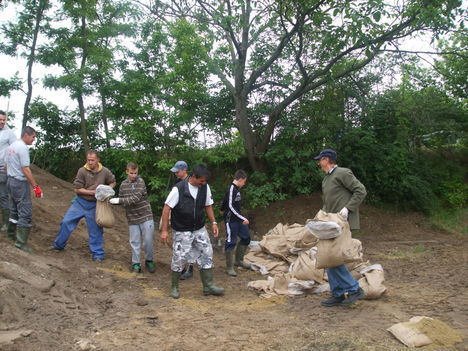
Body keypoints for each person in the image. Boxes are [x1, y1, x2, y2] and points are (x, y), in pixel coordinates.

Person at [160, 164, 224, 299]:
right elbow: (166, 209)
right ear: (193, 177)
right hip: (182, 229)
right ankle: (174, 287)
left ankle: (208, 286)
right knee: (179, 258)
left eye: (205, 181)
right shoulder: (179, 189)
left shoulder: (204, 187)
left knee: (207, 253)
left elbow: (208, 205)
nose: (204, 183)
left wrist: (213, 222)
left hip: (199, 228)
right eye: (201, 181)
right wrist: (164, 231)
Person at [314, 148, 367, 307]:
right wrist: (321, 215)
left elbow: (361, 191)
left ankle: (354, 289)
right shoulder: (326, 179)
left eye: (320, 159)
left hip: (343, 221)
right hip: (331, 222)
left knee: (334, 257)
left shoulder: (343, 173)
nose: (318, 163)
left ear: (327, 159)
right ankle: (337, 294)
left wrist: (348, 208)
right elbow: (328, 201)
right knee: (329, 256)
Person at [52, 150, 116, 261]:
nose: (90, 162)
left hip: (95, 205)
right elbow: (77, 189)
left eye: (92, 160)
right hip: (80, 202)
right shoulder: (82, 171)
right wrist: (94, 192)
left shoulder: (105, 171)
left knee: (96, 230)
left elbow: (113, 182)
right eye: (88, 160)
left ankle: (98, 255)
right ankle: (58, 245)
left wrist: (108, 189)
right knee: (66, 222)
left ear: (98, 160)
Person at [109, 162, 155, 273]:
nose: (134, 175)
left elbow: (136, 198)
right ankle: (136, 264)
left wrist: (119, 200)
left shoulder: (141, 182)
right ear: (127, 172)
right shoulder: (123, 185)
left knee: (148, 241)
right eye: (131, 173)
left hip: (145, 215)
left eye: (135, 173)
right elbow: (122, 200)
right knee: (134, 241)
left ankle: (149, 260)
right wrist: (111, 200)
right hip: (132, 217)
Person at [6, 126, 43, 251]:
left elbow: (6, 165)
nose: (33, 140)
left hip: (10, 180)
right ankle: (21, 242)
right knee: (25, 211)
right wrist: (35, 186)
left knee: (14, 209)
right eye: (33, 137)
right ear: (26, 135)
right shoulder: (22, 148)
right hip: (19, 182)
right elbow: (25, 169)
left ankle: (11, 235)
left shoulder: (12, 146)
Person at [220, 169, 251, 276]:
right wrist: (242, 218)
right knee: (231, 241)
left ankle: (239, 261)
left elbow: (225, 202)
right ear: (241, 179)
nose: (244, 184)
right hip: (231, 220)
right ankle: (229, 267)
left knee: (246, 237)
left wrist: (221, 208)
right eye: (244, 181)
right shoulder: (231, 189)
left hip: (238, 219)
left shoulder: (236, 190)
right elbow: (230, 206)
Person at [169, 160, 194, 280]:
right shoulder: (177, 182)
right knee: (179, 246)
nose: (175, 173)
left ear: (184, 170)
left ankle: (189, 269)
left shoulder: (191, 183)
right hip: (178, 219)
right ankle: (182, 267)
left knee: (189, 246)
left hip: (189, 219)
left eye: (177, 171)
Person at [0, 110, 17, 232]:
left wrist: (8, 163)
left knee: (3, 196)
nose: (2, 122)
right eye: (0, 119)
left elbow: (15, 148)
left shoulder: (9, 133)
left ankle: (6, 223)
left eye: (3, 120)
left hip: (2, 169)